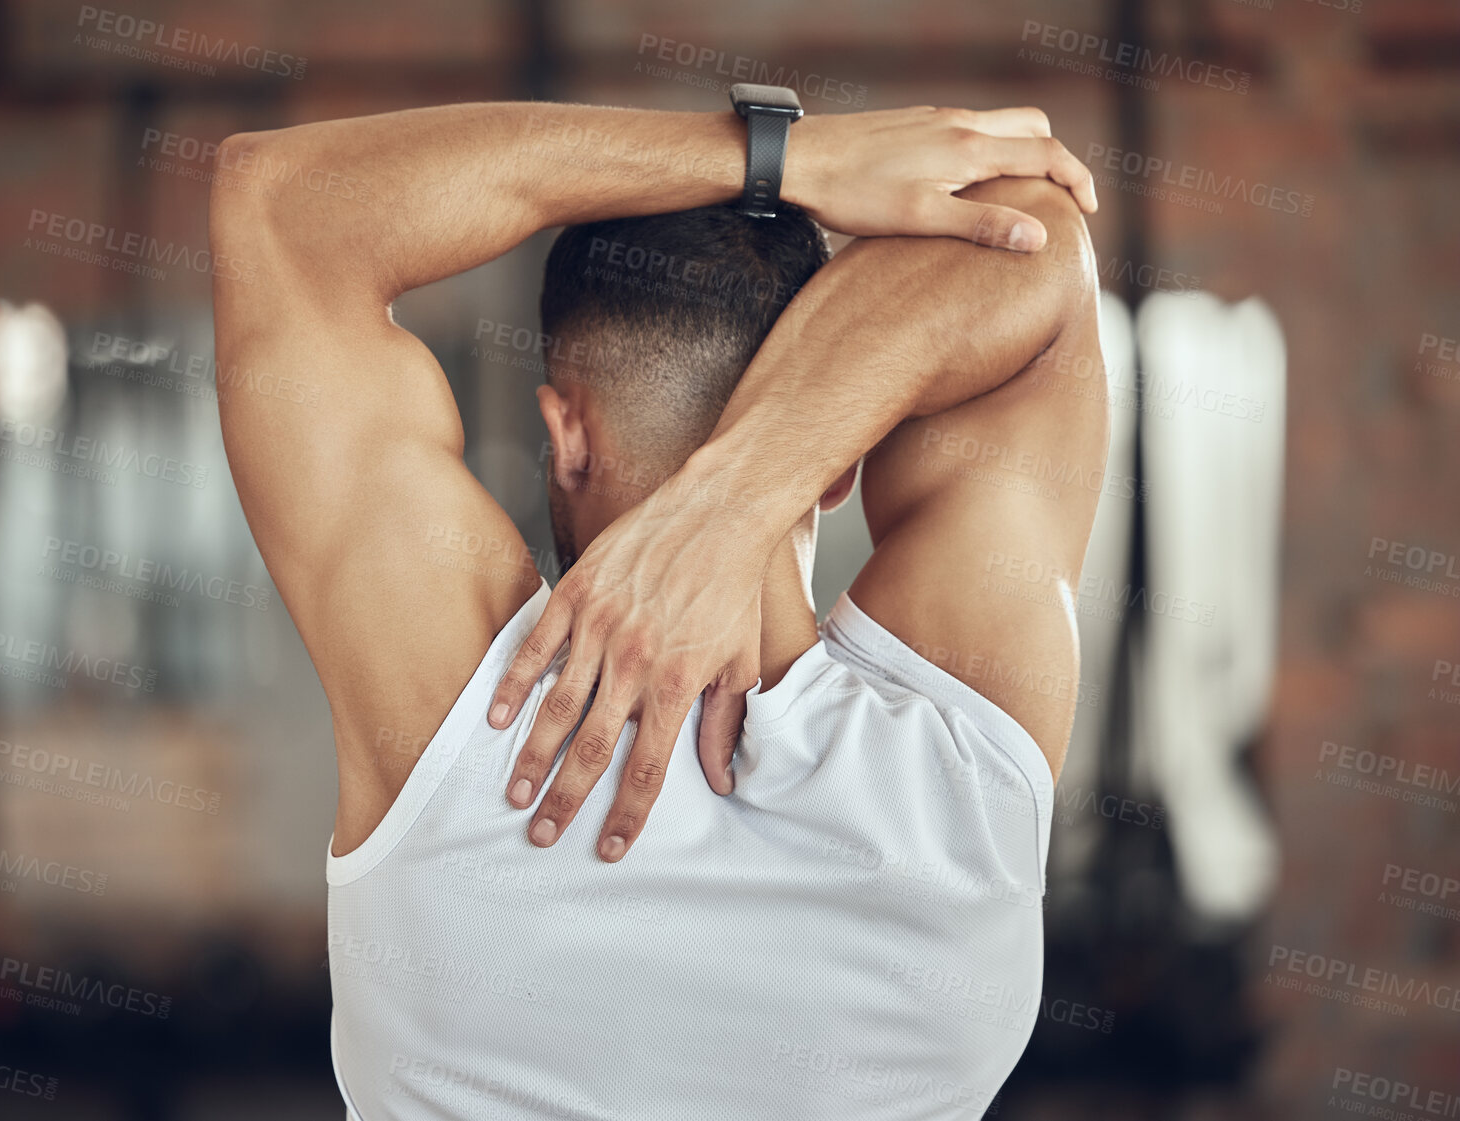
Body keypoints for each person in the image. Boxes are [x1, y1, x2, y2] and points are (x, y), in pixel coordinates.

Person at [211, 100, 1107, 1120]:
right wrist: (741, 496)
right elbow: (1035, 230)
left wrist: (778, 156)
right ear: (839, 465)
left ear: (564, 433)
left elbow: (279, 208)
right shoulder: (958, 763)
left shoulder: (460, 718)